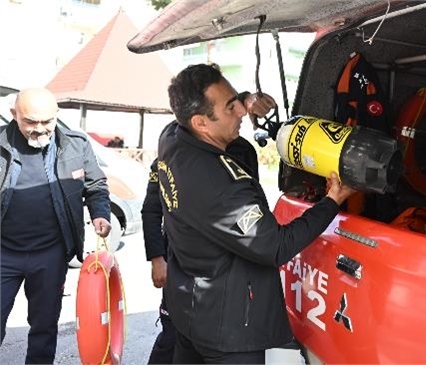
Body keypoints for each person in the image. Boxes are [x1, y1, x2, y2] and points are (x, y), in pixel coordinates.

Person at [158, 63, 355, 364]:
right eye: (230, 108)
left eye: (237, 100)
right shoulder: (221, 186)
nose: (240, 111)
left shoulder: (172, 137)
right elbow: (275, 246)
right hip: (230, 331)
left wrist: (247, 99)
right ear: (200, 123)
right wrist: (332, 200)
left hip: (188, 308)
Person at [142, 109, 264, 364]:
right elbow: (152, 209)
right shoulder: (173, 151)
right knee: (173, 334)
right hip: (183, 262)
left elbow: (254, 205)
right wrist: (157, 259)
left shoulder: (243, 151)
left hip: (231, 264)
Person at [0, 87, 112, 364]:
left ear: (56, 115)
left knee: (45, 326)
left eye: (46, 121)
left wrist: (101, 214)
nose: (39, 129)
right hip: (3, 253)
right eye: (30, 122)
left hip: (51, 253)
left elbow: (96, 186)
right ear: (15, 115)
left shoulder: (76, 144)